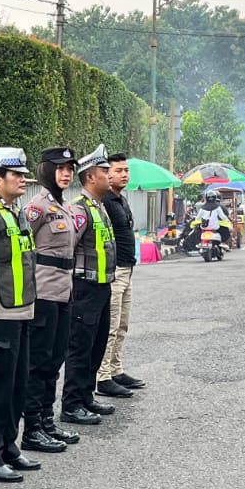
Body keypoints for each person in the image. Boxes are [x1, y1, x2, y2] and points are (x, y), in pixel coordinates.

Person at [0, 146, 41, 483]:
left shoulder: (17, 211)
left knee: (17, 386)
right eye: (15, 175)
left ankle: (8, 447)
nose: (22, 180)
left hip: (22, 309)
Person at [21, 146, 80, 453]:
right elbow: (22, 245)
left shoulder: (64, 205)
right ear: (46, 170)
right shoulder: (38, 206)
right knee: (39, 361)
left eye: (70, 168)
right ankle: (31, 427)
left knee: (55, 359)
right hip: (43, 293)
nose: (66, 173)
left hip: (64, 292)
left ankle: (46, 419)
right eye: (60, 168)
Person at [60, 145, 117, 427]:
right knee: (80, 347)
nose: (110, 176)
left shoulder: (99, 207)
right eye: (105, 172)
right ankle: (71, 404)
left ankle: (86, 396)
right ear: (91, 177)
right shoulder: (78, 210)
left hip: (102, 287)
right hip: (84, 289)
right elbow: (67, 247)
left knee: (96, 345)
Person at [96, 154, 146, 401]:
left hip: (128, 268)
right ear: (108, 174)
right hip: (114, 271)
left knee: (122, 324)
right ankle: (103, 376)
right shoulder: (103, 201)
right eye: (118, 171)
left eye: (126, 170)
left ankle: (116, 369)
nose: (124, 174)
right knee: (111, 325)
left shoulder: (120, 200)